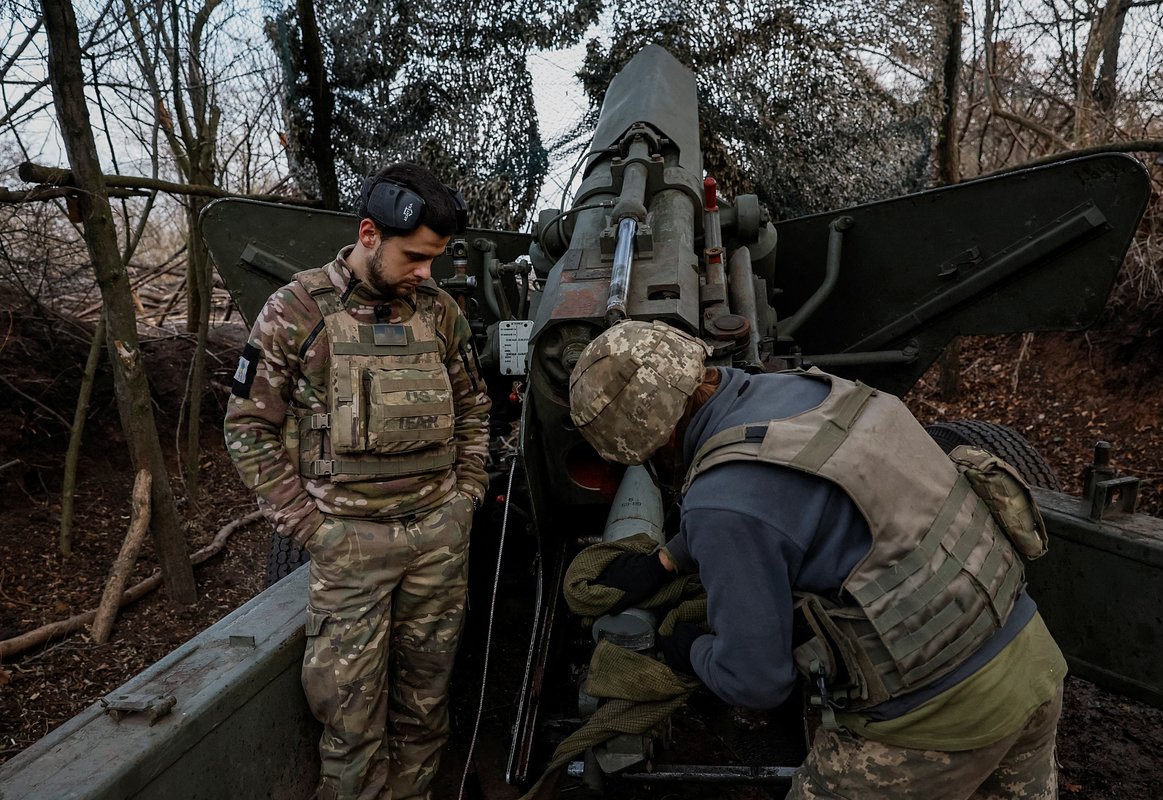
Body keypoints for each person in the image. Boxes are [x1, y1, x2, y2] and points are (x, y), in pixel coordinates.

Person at [568, 319, 1066, 800]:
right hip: (1029, 661)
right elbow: (787, 503)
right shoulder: (811, 391)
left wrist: (691, 649)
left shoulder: (722, 504)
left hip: (930, 722)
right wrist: (668, 561)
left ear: (657, 438)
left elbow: (757, 681)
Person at [224, 162, 491, 800]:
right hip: (349, 548)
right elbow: (247, 427)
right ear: (369, 233)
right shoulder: (296, 309)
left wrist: (468, 495)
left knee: (425, 707)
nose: (427, 272)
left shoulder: (440, 311)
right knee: (349, 720)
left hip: (439, 540)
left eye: (436, 258)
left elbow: (475, 408)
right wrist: (311, 528)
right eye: (416, 257)